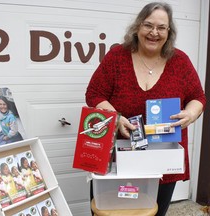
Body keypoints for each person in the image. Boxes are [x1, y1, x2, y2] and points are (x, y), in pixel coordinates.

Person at [85, 2, 206, 216]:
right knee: (112, 212)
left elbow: (198, 97)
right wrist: (116, 116)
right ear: (138, 27)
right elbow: (94, 94)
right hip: (118, 157)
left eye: (161, 27)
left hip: (163, 160)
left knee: (154, 212)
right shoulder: (117, 58)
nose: (154, 33)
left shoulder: (180, 62)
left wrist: (191, 113)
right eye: (148, 25)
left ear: (169, 32)